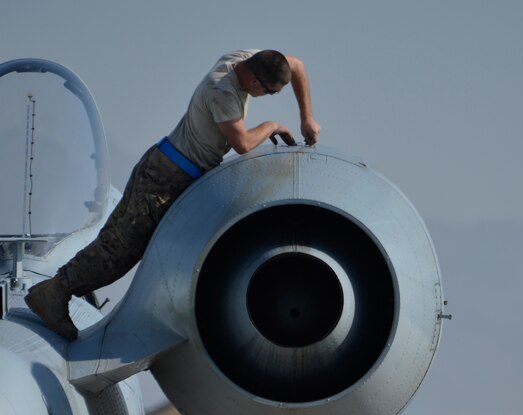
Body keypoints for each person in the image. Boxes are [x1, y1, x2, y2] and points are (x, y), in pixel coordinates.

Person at [25, 49, 320, 341]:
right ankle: (55, 293)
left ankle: (56, 290)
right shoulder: (222, 91)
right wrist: (272, 125)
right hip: (165, 179)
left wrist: (307, 117)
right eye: (270, 92)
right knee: (118, 252)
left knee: (115, 243)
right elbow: (242, 144)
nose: (267, 97)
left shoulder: (243, 58)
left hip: (165, 165)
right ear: (255, 81)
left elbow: (296, 64)